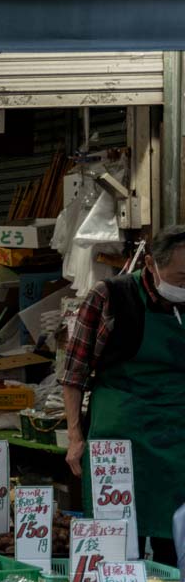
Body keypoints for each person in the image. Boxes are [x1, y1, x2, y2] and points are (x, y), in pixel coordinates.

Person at [61, 225, 185, 563]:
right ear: (150, 263)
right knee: (117, 543)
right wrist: (75, 436)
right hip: (121, 433)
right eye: (181, 277)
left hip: (178, 439)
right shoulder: (110, 296)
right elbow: (74, 374)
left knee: (176, 547)